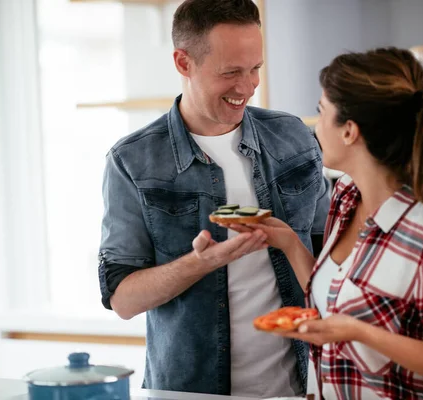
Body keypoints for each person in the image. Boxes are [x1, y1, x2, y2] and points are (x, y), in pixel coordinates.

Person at [223, 47, 423, 399]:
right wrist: (290, 243)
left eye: (322, 112)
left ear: (350, 131)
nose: (316, 125)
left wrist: (362, 333)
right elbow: (338, 302)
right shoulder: (346, 196)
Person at [97, 0, 331, 397]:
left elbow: (332, 262)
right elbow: (123, 300)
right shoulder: (132, 160)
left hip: (301, 387)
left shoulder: (295, 138)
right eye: (231, 72)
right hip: (188, 392)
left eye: (255, 68)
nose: (247, 86)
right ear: (183, 62)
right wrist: (200, 263)